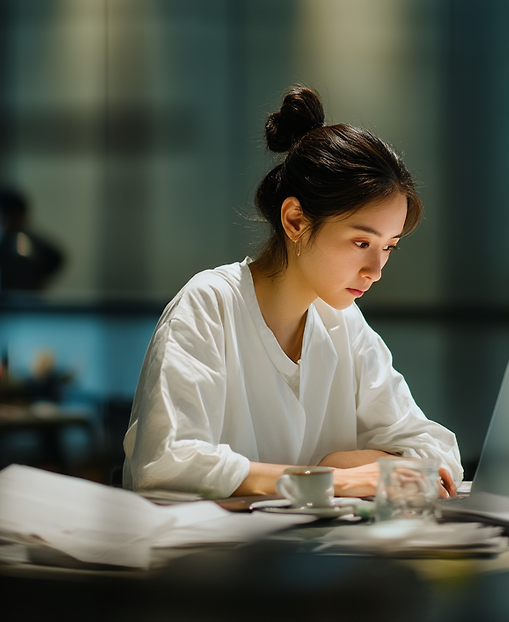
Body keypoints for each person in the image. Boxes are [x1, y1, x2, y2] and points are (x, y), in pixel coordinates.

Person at [122, 86, 461, 500]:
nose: (375, 271)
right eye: (361, 243)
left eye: (388, 247)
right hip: (213, 560)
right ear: (296, 220)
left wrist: (339, 464)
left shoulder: (343, 321)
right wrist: (335, 480)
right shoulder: (211, 304)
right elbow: (167, 463)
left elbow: (438, 454)